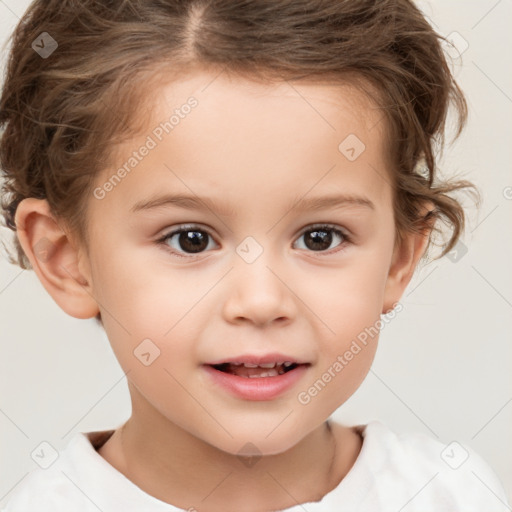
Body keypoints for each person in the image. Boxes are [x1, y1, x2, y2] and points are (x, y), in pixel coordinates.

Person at [0, 1, 509, 511]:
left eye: (320, 237)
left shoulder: (453, 495)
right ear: (65, 258)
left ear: (399, 257)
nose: (262, 301)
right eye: (190, 239)